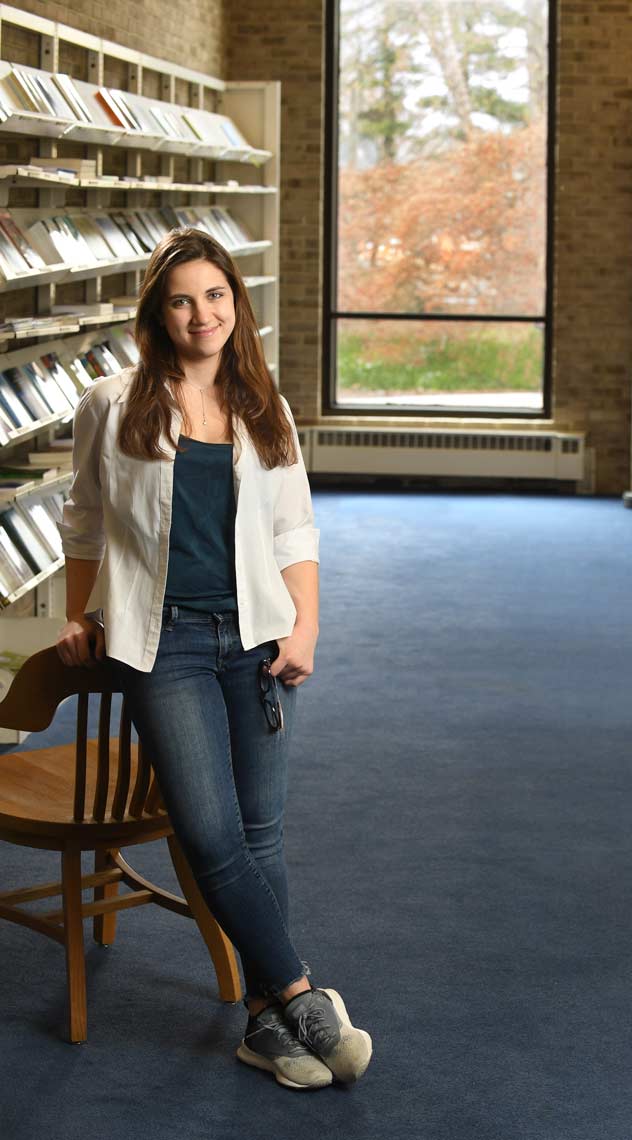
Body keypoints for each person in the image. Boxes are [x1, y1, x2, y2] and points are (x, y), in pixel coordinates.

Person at [55, 227, 372, 1091]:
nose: (203, 314)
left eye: (217, 295)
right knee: (209, 832)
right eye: (183, 299)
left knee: (262, 831)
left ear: (237, 302)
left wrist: (306, 626)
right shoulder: (111, 405)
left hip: (260, 639)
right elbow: (83, 520)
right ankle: (302, 992)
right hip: (166, 648)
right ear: (159, 313)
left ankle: (263, 1023)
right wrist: (83, 610)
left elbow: (293, 527)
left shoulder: (264, 405)